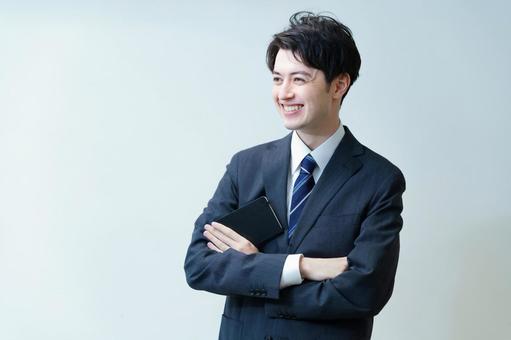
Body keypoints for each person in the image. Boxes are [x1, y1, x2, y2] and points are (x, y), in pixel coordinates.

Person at [184, 11, 405, 340]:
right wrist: (300, 267)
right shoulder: (246, 166)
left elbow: (364, 290)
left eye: (299, 79)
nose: (283, 93)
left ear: (339, 84)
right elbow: (199, 265)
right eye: (277, 78)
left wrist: (260, 277)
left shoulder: (379, 179)